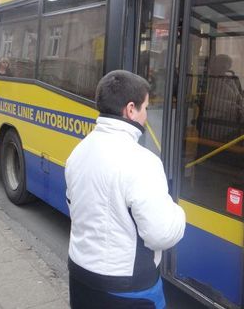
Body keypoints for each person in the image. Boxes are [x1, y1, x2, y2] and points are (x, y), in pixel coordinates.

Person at [65, 70, 185, 309]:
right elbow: (160, 233)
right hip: (127, 289)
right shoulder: (143, 161)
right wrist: (178, 213)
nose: (146, 115)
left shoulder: (79, 151)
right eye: (146, 108)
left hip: (80, 276)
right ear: (131, 109)